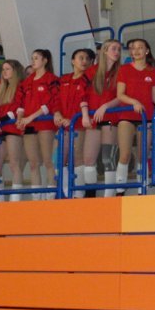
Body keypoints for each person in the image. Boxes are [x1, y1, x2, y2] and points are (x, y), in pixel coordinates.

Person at [115, 39, 155, 195]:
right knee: (124, 154)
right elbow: (120, 94)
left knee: (143, 155)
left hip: (146, 117)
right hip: (127, 115)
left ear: (147, 51)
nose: (136, 50)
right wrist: (134, 102)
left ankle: (142, 189)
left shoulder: (153, 72)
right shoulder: (124, 69)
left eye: (140, 47)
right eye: (133, 48)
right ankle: (119, 190)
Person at [15, 49, 60, 199]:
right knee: (33, 164)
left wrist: (31, 117)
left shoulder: (51, 79)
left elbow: (51, 102)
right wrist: (20, 118)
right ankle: (36, 199)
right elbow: (20, 103)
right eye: (32, 58)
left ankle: (51, 198)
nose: (33, 61)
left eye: (36, 58)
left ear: (45, 60)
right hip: (29, 125)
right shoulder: (26, 82)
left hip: (45, 124)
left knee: (48, 161)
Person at [81, 40, 122, 197]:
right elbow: (83, 95)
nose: (116, 52)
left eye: (119, 49)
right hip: (93, 119)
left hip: (111, 119)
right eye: (113, 49)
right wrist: (85, 114)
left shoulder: (121, 72)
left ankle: (109, 195)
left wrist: (106, 106)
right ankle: (90, 195)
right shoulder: (92, 71)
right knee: (88, 159)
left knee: (107, 157)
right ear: (104, 51)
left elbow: (122, 95)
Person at [55, 49, 94, 198]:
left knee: (78, 158)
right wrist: (57, 113)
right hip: (63, 126)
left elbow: (88, 102)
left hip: (79, 125)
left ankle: (79, 193)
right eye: (81, 58)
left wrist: (72, 119)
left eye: (87, 58)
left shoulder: (89, 80)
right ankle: (66, 193)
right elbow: (56, 100)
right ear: (72, 61)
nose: (84, 61)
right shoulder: (64, 79)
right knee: (59, 159)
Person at [0, 60, 28, 201]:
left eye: (8, 69)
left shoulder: (21, 87)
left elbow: (17, 108)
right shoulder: (2, 89)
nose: (4, 71)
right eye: (3, 69)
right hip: (1, 129)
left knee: (14, 164)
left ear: (15, 71)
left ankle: (15, 200)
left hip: (13, 129)